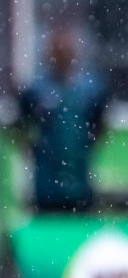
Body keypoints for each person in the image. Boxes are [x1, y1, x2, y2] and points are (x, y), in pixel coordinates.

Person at [15, 26, 108, 213]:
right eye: (58, 52)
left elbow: (101, 124)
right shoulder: (37, 89)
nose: (62, 56)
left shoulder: (89, 89)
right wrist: (35, 149)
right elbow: (20, 126)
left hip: (80, 182)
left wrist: (84, 147)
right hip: (46, 186)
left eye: (66, 51)